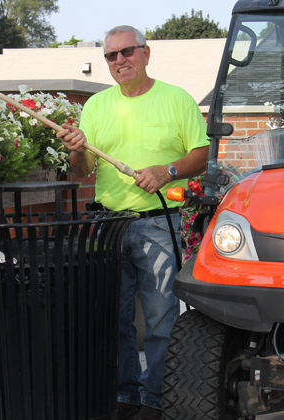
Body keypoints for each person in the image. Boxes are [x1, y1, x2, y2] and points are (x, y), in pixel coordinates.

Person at [58, 25, 210, 420]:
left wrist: (168, 169)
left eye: (127, 52)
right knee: (113, 317)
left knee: (161, 317)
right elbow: (81, 171)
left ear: (146, 53)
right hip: (107, 226)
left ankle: (155, 399)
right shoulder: (96, 106)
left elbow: (203, 154)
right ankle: (125, 396)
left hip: (159, 223)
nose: (119, 61)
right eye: (111, 55)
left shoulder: (176, 99)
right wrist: (76, 150)